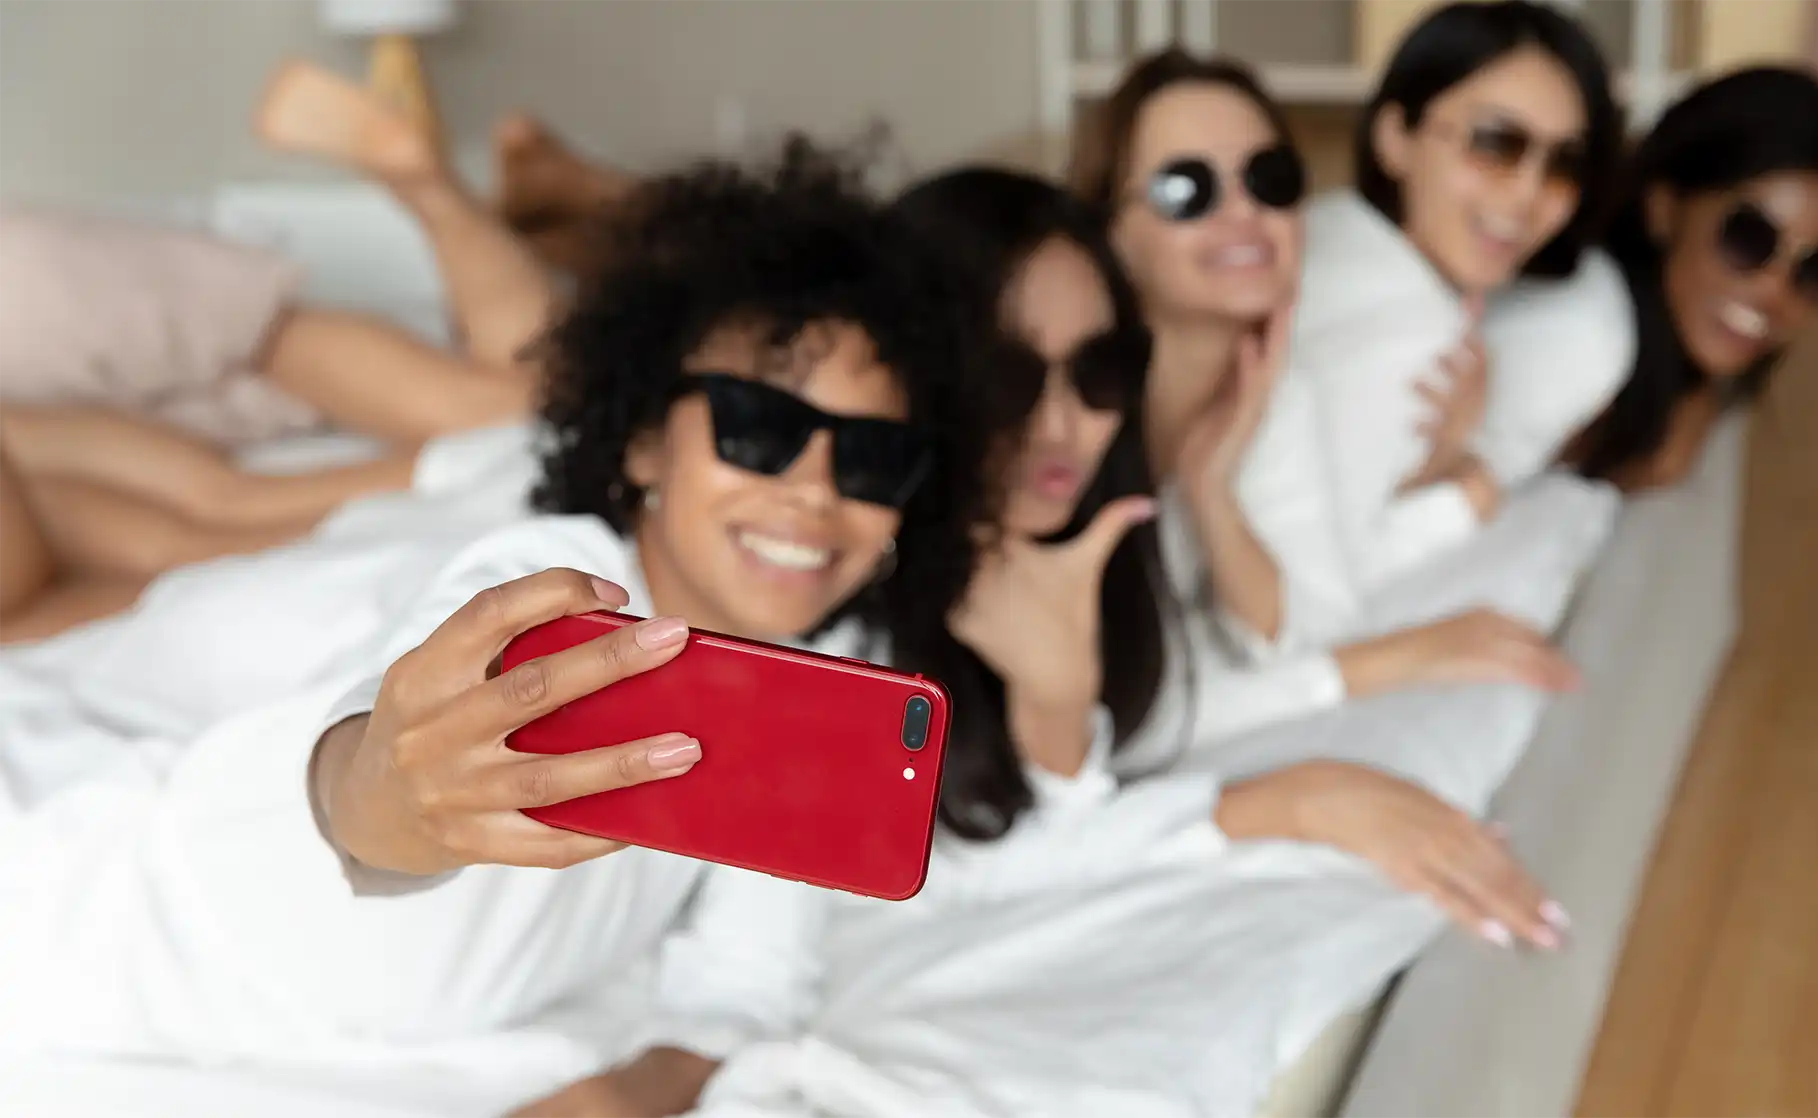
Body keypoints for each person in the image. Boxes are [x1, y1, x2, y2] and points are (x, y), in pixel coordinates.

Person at [509, 166, 1570, 1118]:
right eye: (1012, 374)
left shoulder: (1085, 547)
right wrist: (1279, 793)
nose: (1061, 423)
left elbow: (1044, 792)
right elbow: (818, 892)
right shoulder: (800, 569)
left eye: (1098, 370)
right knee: (476, 427)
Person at [0, 141, 986, 1117]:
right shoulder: (555, 578)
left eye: (870, 459)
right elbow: (387, 729)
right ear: (644, 438)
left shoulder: (826, 675)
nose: (811, 490)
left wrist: (622, 1092)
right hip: (108, 904)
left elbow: (747, 975)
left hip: (300, 993)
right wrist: (382, 791)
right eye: (756, 430)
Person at [1068, 2, 1631, 670]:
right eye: (1495, 143)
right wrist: (1460, 495)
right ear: (1393, 137)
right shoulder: (1411, 339)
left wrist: (1212, 489)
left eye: (1267, 180)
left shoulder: (1281, 360)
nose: (1527, 193)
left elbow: (1290, 618)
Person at [0, 60, 561, 634]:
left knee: (522, 406)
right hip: (59, 352)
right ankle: (453, 192)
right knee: (225, 505)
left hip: (51, 311)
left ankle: (430, 189)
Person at [1565, 66, 1818, 489]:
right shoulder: (1574, 349)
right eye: (1749, 238)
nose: (1774, 291)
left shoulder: (1682, 395)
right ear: (1663, 209)